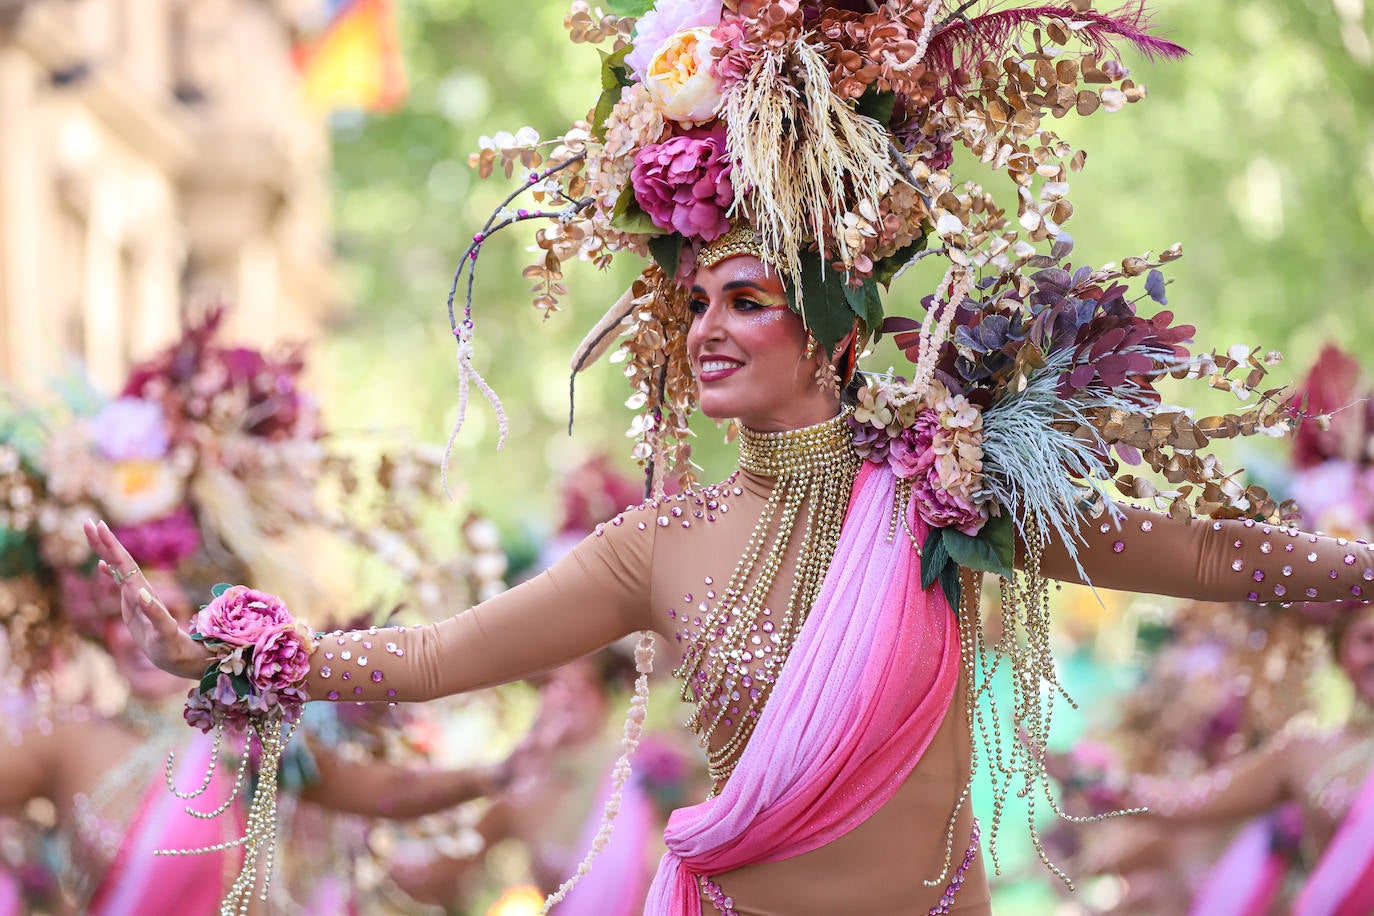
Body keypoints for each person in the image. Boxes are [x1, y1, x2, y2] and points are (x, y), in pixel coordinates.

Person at [82, 3, 1374, 916]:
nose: (705, 329)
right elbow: (430, 656)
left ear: (836, 317)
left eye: (744, 299)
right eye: (693, 305)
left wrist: (1360, 569)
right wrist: (243, 653)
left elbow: (1205, 551)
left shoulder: (953, 489)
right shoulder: (661, 544)